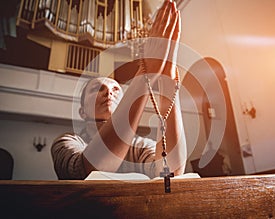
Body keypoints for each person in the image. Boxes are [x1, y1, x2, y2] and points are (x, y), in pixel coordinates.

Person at [51, 0, 187, 180]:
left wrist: (168, 79)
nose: (109, 92)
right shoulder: (66, 142)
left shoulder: (140, 145)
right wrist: (145, 71)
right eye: (97, 89)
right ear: (82, 112)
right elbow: (91, 173)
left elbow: (170, 173)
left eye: (116, 89)